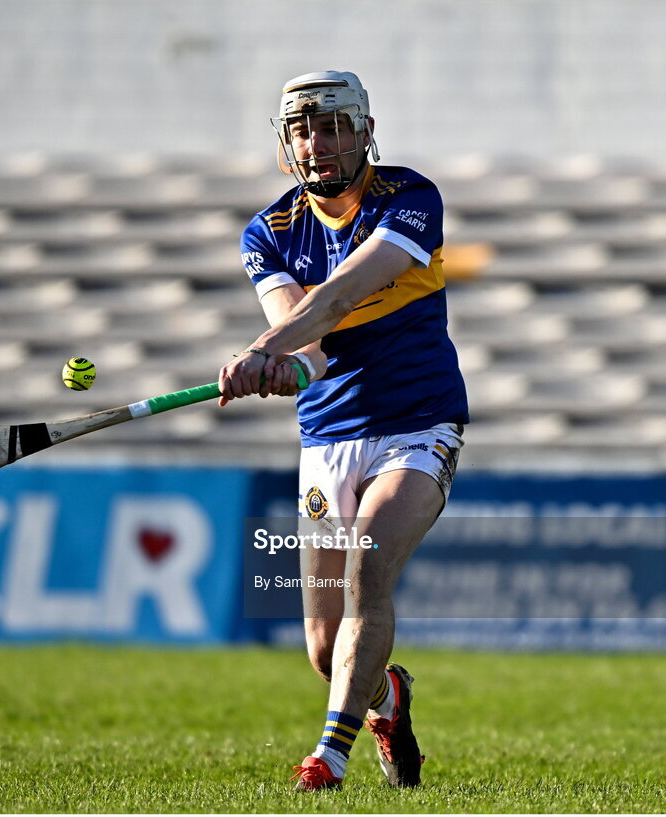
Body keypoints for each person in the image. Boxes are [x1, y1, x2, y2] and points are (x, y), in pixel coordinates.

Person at [218, 70, 469, 791]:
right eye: (302, 129)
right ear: (286, 143)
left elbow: (344, 293)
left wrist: (265, 350)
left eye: (333, 126)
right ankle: (389, 700)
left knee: (369, 566)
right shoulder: (268, 233)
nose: (318, 143)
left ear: (364, 131)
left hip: (418, 423)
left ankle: (328, 755)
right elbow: (313, 346)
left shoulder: (411, 198)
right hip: (328, 439)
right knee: (329, 655)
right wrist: (281, 366)